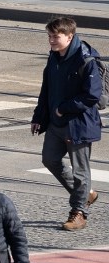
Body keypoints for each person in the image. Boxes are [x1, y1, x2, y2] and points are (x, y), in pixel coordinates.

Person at [30, 16, 102, 231]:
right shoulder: (54, 57)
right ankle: (86, 195)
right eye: (49, 36)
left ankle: (79, 213)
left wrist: (65, 108)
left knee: (80, 171)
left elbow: (92, 95)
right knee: (50, 159)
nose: (51, 40)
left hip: (78, 124)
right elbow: (46, 89)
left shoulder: (86, 60)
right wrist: (38, 117)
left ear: (70, 37)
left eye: (56, 36)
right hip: (56, 122)